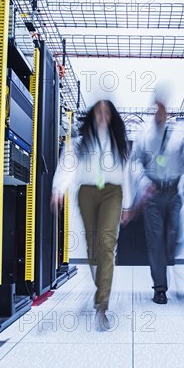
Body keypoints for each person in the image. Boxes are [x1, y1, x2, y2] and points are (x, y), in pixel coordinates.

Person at [51, 100, 132, 330]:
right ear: (92, 115)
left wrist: (127, 204)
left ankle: (102, 307)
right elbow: (67, 165)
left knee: (107, 244)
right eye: (98, 111)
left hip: (112, 192)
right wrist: (59, 189)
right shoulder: (79, 142)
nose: (102, 115)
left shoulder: (118, 143)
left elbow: (126, 172)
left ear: (112, 116)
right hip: (86, 192)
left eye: (107, 112)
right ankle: (101, 289)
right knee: (92, 248)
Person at [125, 95, 184, 304]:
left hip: (173, 193)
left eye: (163, 109)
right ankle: (160, 289)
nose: (160, 112)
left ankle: (169, 257)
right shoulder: (144, 137)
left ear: (167, 112)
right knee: (155, 241)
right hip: (153, 194)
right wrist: (143, 183)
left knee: (172, 238)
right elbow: (134, 163)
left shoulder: (177, 136)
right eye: (157, 109)